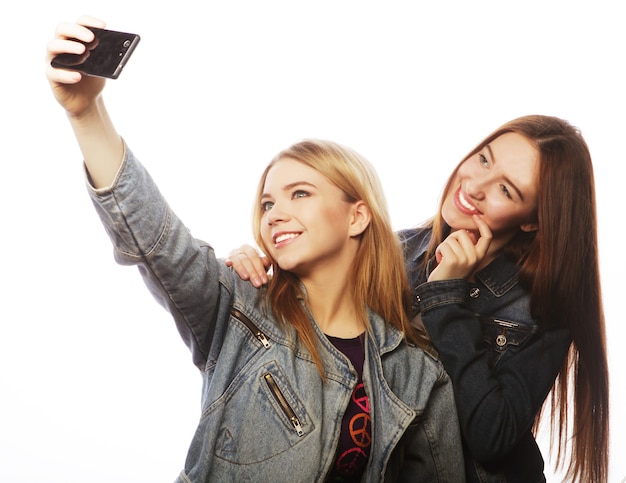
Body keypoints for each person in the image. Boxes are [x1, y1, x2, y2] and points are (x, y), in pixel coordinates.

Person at [46, 16, 465, 482]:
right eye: (267, 203)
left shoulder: (416, 368)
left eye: (300, 194)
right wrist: (86, 113)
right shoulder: (237, 308)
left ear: (357, 216)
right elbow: (155, 239)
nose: (274, 214)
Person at [227, 115, 610, 482]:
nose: (475, 186)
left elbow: (492, 437)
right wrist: (257, 265)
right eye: (483, 159)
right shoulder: (391, 252)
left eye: (505, 189)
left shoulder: (543, 309)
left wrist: (445, 296)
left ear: (531, 220)